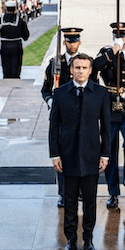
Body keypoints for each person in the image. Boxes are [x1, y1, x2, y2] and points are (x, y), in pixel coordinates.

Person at [48, 53, 111, 250]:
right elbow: (54, 126)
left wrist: (105, 154)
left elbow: (106, 128)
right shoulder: (60, 93)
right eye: (77, 68)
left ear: (91, 71)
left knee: (91, 201)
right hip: (68, 155)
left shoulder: (101, 93)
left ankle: (89, 239)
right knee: (70, 201)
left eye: (85, 68)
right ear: (71, 69)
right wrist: (55, 154)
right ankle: (71, 240)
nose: (81, 71)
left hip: (91, 155)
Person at [93, 22, 125, 209]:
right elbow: (94, 67)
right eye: (117, 36)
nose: (120, 39)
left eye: (123, 36)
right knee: (109, 151)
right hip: (108, 108)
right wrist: (112, 52)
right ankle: (112, 192)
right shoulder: (106, 54)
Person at [42, 27, 84, 208]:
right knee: (62, 154)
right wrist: (50, 100)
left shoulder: (84, 63)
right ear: (65, 42)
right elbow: (45, 89)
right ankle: (63, 192)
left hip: (80, 114)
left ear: (79, 42)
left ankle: (80, 190)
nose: (72, 44)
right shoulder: (55, 63)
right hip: (61, 116)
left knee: (81, 153)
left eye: (75, 41)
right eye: (69, 41)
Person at [0, 0, 30, 78]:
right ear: (15, 8)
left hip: (5, 46)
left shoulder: (0, 21)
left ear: (6, 8)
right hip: (16, 46)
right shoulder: (20, 21)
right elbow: (26, 36)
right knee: (16, 70)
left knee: (6, 70)